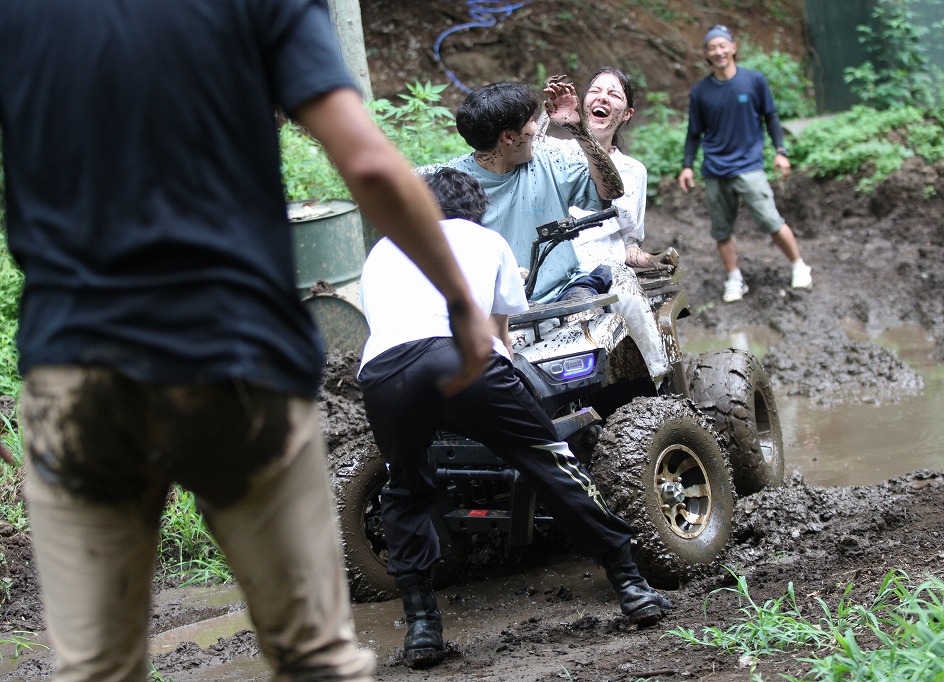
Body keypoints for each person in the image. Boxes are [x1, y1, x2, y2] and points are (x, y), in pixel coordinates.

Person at [0, 2, 495, 680]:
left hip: (74, 363)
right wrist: (460, 300)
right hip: (236, 354)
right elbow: (367, 163)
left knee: (95, 669)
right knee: (314, 658)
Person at [357, 168, 672, 669]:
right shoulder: (486, 241)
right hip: (464, 357)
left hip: (384, 373)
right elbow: (501, 332)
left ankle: (422, 627)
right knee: (550, 463)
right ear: (474, 210)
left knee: (406, 488)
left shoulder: (383, 250)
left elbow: (388, 325)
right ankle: (630, 585)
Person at [419, 81, 624, 302]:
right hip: (493, 303)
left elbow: (611, 191)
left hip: (563, 290)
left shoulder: (549, 161)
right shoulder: (452, 185)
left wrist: (579, 129)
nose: (536, 128)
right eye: (531, 121)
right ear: (508, 137)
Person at [538, 67, 681, 382]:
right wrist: (547, 113)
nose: (602, 97)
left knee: (625, 291)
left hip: (605, 268)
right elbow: (521, 156)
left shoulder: (632, 171)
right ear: (581, 102)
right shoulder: (554, 151)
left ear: (626, 113)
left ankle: (657, 379)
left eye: (614, 94)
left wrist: (651, 259)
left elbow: (629, 244)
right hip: (550, 264)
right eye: (595, 90)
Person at [677, 24, 814, 303]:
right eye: (712, 48)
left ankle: (799, 266)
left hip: (749, 166)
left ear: (733, 48)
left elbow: (771, 116)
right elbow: (694, 132)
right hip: (715, 169)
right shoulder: (701, 92)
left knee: (771, 220)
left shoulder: (754, 81)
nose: (718, 51)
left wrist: (781, 151)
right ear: (706, 54)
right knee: (722, 230)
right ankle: (734, 277)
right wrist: (687, 165)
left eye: (722, 45)